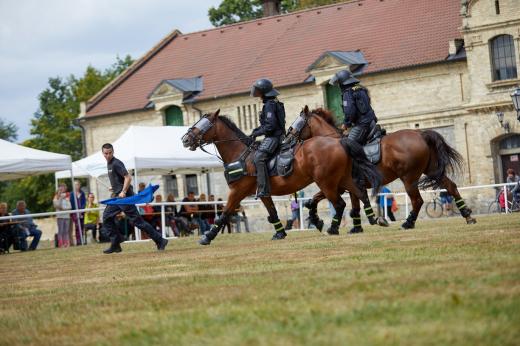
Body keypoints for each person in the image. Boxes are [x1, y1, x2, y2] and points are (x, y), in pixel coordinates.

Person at [100, 143, 168, 254]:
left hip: (125, 198)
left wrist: (123, 191)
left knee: (137, 222)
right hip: (118, 197)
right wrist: (115, 187)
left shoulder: (116, 163)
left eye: (109, 153)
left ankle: (160, 240)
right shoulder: (109, 164)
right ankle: (116, 243)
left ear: (113, 152)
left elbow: (128, 177)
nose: (107, 155)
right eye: (105, 153)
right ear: (102, 153)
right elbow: (121, 179)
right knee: (107, 217)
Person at [330, 69, 378, 188]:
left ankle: (359, 176)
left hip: (362, 124)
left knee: (347, 146)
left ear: (342, 83)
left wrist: (345, 123)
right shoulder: (360, 89)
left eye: (339, 84)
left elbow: (350, 112)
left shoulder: (348, 93)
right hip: (370, 121)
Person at [249, 78, 286, 198]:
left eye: (258, 91)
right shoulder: (271, 103)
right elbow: (266, 125)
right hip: (273, 136)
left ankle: (264, 189)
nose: (257, 93)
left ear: (263, 92)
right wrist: (256, 131)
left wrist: (257, 133)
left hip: (274, 137)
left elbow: (270, 126)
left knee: (259, 158)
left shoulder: (270, 105)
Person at [70, 180, 86, 245]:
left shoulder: (82, 193)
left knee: (81, 226)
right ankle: (78, 241)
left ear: (79, 185)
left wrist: (81, 210)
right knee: (77, 227)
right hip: (74, 212)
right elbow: (72, 203)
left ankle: (82, 240)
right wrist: (76, 210)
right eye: (75, 185)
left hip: (81, 212)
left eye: (77, 184)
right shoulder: (72, 194)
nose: (76, 186)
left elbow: (84, 202)